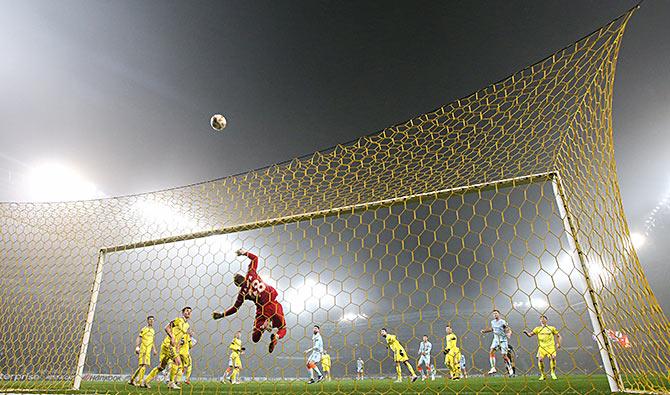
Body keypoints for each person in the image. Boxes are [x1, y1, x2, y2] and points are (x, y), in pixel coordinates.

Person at [213, 249, 287, 353]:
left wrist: (221, 314)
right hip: (273, 304)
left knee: (255, 338)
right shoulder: (251, 273)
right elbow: (255, 258)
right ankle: (277, 336)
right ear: (243, 277)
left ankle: (262, 326)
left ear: (238, 286)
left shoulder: (242, 293)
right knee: (283, 328)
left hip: (262, 310)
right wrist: (244, 253)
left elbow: (234, 309)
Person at [141, 307, 192, 389]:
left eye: (190, 311)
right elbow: (166, 327)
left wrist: (177, 348)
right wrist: (172, 337)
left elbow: (180, 338)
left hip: (171, 346)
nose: (189, 313)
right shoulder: (178, 320)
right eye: (187, 311)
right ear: (183, 312)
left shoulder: (187, 325)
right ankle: (171, 383)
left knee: (161, 367)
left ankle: (145, 381)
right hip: (168, 344)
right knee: (178, 362)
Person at [524, 315, 562, 380]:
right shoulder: (537, 329)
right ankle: (542, 375)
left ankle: (553, 373)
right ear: (540, 320)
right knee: (540, 359)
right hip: (542, 347)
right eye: (541, 319)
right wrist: (526, 333)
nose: (542, 319)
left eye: (544, 318)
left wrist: (558, 343)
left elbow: (558, 336)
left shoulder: (551, 328)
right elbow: (530, 335)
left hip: (550, 347)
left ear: (546, 320)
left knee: (553, 357)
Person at [480, 309, 513, 375]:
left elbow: (507, 328)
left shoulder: (502, 322)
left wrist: (509, 333)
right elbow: (492, 329)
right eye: (494, 314)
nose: (495, 315)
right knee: (491, 351)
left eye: (496, 313)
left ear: (499, 314)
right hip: (496, 340)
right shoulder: (492, 322)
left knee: (504, 356)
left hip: (503, 340)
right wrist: (484, 331)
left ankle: (510, 368)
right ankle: (493, 368)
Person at [129, 316, 157, 386]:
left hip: (149, 350)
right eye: (150, 320)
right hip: (143, 349)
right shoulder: (144, 329)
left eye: (152, 320)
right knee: (144, 365)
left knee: (142, 366)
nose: (151, 321)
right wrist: (137, 347)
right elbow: (139, 337)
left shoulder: (153, 330)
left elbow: (152, 341)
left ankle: (132, 379)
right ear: (147, 321)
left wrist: (154, 349)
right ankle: (140, 382)